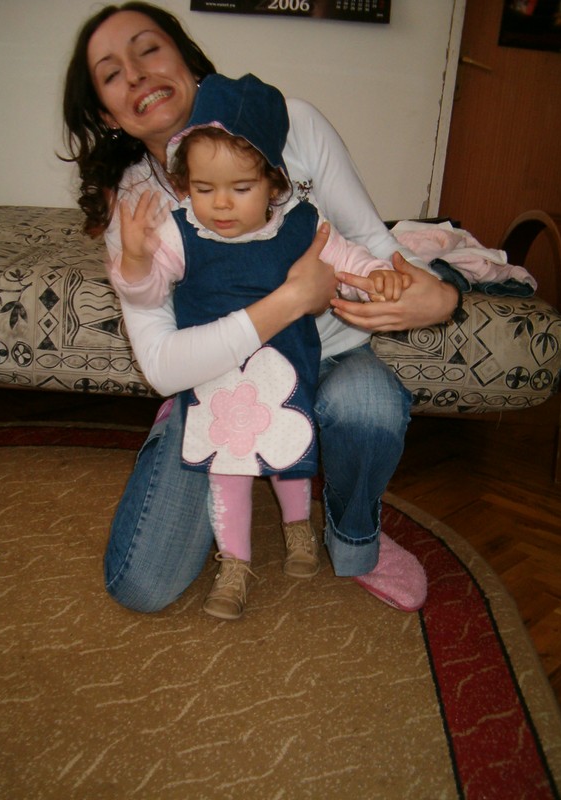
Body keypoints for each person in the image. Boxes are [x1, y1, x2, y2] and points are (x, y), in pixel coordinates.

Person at [63, 2, 461, 616]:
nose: (136, 74)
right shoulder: (137, 209)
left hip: (326, 354)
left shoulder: (290, 123)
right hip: (215, 378)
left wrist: (437, 292)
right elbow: (162, 361)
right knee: (143, 585)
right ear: (106, 113)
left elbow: (369, 243)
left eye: (148, 49)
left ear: (186, 59)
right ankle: (194, 437)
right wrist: (292, 297)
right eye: (112, 73)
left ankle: (355, 536)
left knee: (369, 404)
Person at [113, 72, 410, 620]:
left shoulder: (303, 226)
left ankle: (299, 526)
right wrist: (134, 261)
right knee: (227, 470)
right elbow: (147, 291)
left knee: (290, 455)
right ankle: (234, 564)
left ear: (275, 184)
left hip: (287, 373)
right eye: (204, 189)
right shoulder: (181, 232)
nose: (221, 205)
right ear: (186, 185)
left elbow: (349, 261)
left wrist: (376, 277)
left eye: (241, 189)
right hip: (218, 384)